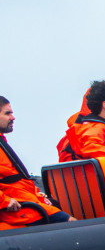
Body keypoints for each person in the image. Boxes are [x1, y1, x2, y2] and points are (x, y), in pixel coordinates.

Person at [0, 96, 73, 230]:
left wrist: (37, 193)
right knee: (71, 222)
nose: (13, 117)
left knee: (54, 204)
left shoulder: (2, 142)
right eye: (7, 113)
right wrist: (5, 201)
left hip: (24, 199)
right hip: (18, 207)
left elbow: (19, 178)